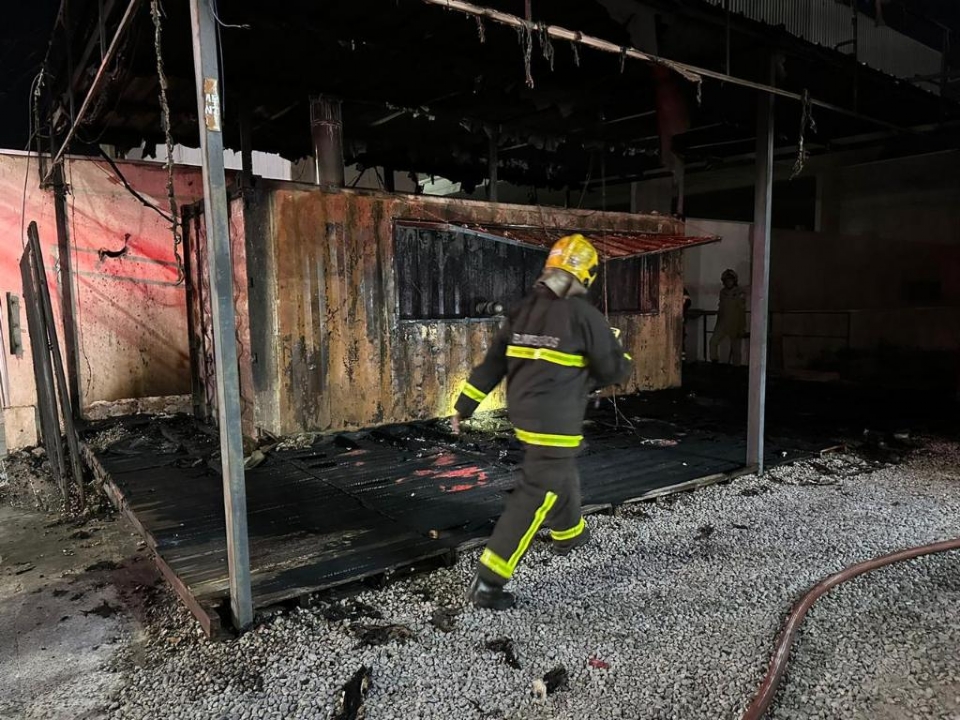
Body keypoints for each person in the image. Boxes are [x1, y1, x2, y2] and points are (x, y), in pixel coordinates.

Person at [451, 234, 633, 610]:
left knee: (558, 472)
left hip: (525, 415)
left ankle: (569, 534)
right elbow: (611, 369)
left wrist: (464, 405)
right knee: (536, 494)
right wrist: (621, 355)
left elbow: (493, 364)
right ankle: (488, 582)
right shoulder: (584, 315)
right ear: (584, 274)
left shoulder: (523, 310)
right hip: (556, 421)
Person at [709, 269, 746, 365]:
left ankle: (737, 369)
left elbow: (742, 312)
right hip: (722, 323)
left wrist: (741, 328)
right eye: (726, 280)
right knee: (713, 342)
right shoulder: (723, 292)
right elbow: (721, 309)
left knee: (736, 350)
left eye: (730, 280)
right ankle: (714, 361)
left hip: (735, 323)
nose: (728, 282)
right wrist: (717, 324)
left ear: (734, 281)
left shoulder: (739, 292)